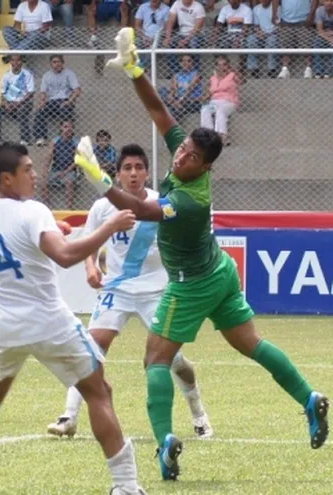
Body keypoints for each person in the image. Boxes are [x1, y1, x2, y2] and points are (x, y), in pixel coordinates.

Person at [78, 27, 329, 481]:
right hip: (220, 271)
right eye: (184, 151)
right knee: (248, 343)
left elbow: (137, 208)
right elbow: (158, 111)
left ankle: (164, 443)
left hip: (192, 283)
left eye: (191, 158)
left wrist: (99, 179)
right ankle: (310, 399)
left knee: (155, 359)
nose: (181, 158)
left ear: (206, 167)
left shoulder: (190, 201)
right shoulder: (185, 154)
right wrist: (135, 69)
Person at [0, 142, 145, 495]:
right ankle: (126, 486)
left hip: (5, 329)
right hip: (49, 323)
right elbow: (64, 256)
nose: (35, 174)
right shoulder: (33, 211)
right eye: (28, 169)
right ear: (7, 179)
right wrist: (110, 226)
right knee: (98, 391)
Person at [46, 144, 213, 441]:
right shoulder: (102, 207)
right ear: (118, 174)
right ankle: (68, 416)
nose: (133, 173)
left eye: (139, 167)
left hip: (157, 290)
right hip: (118, 289)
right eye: (127, 168)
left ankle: (199, 414)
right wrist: (91, 267)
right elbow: (90, 242)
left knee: (173, 361)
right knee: (91, 348)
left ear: (147, 172)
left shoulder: (161, 203)